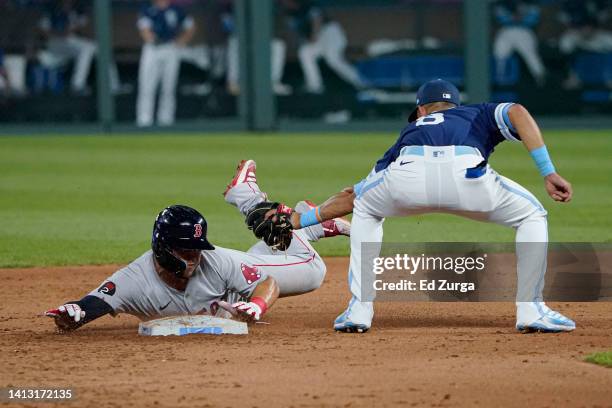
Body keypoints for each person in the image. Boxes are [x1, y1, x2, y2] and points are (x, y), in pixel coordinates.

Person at [289, 79, 576, 334]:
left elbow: (352, 196)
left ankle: (360, 309)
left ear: (422, 111)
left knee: (366, 207)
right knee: (532, 215)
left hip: (408, 174)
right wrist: (548, 172)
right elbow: (517, 111)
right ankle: (531, 310)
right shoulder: (477, 112)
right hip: (468, 178)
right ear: (454, 105)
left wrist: (302, 220)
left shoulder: (410, 131)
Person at [45, 160, 350, 332]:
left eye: (197, 247)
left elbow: (267, 283)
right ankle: (308, 229)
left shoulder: (214, 260)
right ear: (164, 248)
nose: (195, 256)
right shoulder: (134, 280)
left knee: (313, 271)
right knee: (267, 258)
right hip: (243, 266)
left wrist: (256, 306)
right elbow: (92, 304)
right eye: (187, 249)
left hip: (241, 268)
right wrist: (74, 314)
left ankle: (248, 198)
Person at [283, 0, 366, 94]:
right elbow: (295, 32)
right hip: (317, 38)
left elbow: (317, 20)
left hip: (330, 32)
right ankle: (315, 85)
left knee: (333, 59)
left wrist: (314, 36)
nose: (284, 2)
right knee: (305, 53)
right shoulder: (289, 14)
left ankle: (360, 82)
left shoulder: (307, 5)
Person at [38, 0, 120, 94]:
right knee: (87, 48)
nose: (67, 2)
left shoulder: (78, 11)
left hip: (72, 42)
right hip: (55, 43)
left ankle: (113, 85)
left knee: (98, 48)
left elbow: (82, 27)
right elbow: (43, 31)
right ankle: (77, 85)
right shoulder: (51, 10)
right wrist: (61, 33)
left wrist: (73, 28)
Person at [136, 0, 195, 127]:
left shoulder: (176, 9)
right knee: (147, 86)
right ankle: (144, 121)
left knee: (168, 87)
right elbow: (144, 29)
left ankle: (166, 121)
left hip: (170, 48)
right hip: (153, 49)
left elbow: (190, 26)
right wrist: (152, 39)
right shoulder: (147, 9)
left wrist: (182, 40)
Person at [558, 0, 612, 89]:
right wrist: (578, 31)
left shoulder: (601, 2)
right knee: (568, 49)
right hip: (578, 39)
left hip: (599, 40)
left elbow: (604, 19)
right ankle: (574, 78)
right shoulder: (569, 3)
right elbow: (565, 49)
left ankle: (610, 79)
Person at [493, 0, 546, 86]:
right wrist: (511, 17)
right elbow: (500, 16)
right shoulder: (503, 3)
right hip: (507, 30)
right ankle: (498, 77)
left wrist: (522, 18)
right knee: (499, 54)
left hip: (524, 30)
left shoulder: (531, 3)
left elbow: (534, 18)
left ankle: (541, 76)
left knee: (530, 55)